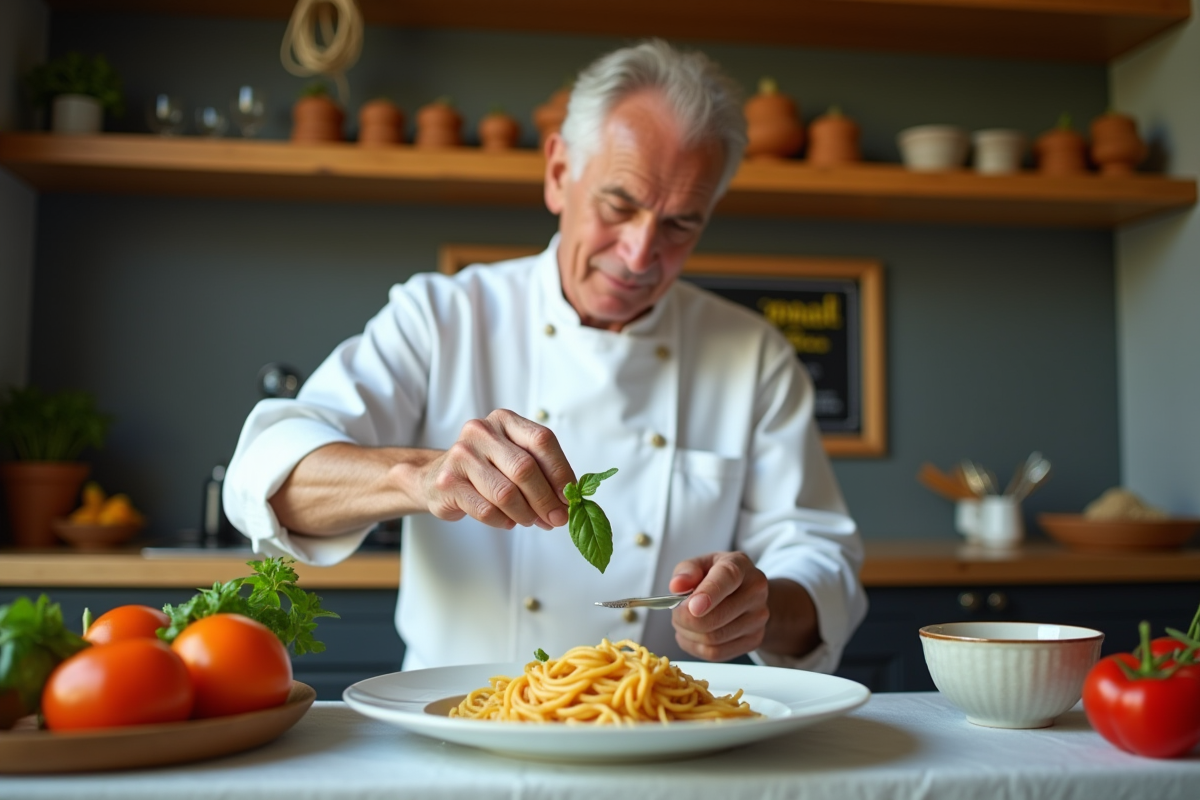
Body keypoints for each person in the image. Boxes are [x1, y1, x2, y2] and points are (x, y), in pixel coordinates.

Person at [224, 39, 866, 673]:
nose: (640, 255)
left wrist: (759, 608)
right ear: (559, 172)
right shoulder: (443, 316)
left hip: (660, 739)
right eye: (620, 205)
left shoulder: (753, 356)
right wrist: (423, 477)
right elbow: (267, 475)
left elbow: (819, 560)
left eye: (680, 225)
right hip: (460, 733)